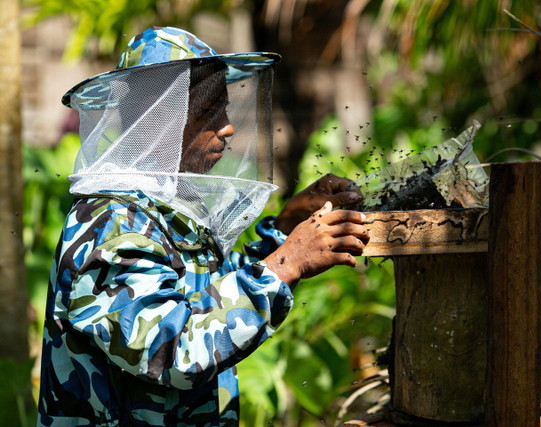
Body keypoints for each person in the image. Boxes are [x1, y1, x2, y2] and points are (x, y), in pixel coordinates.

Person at [37, 26, 369, 426]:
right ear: (159, 114)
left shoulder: (158, 207)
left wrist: (283, 228)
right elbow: (173, 350)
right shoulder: (110, 224)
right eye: (211, 110)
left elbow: (200, 300)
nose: (228, 127)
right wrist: (286, 264)